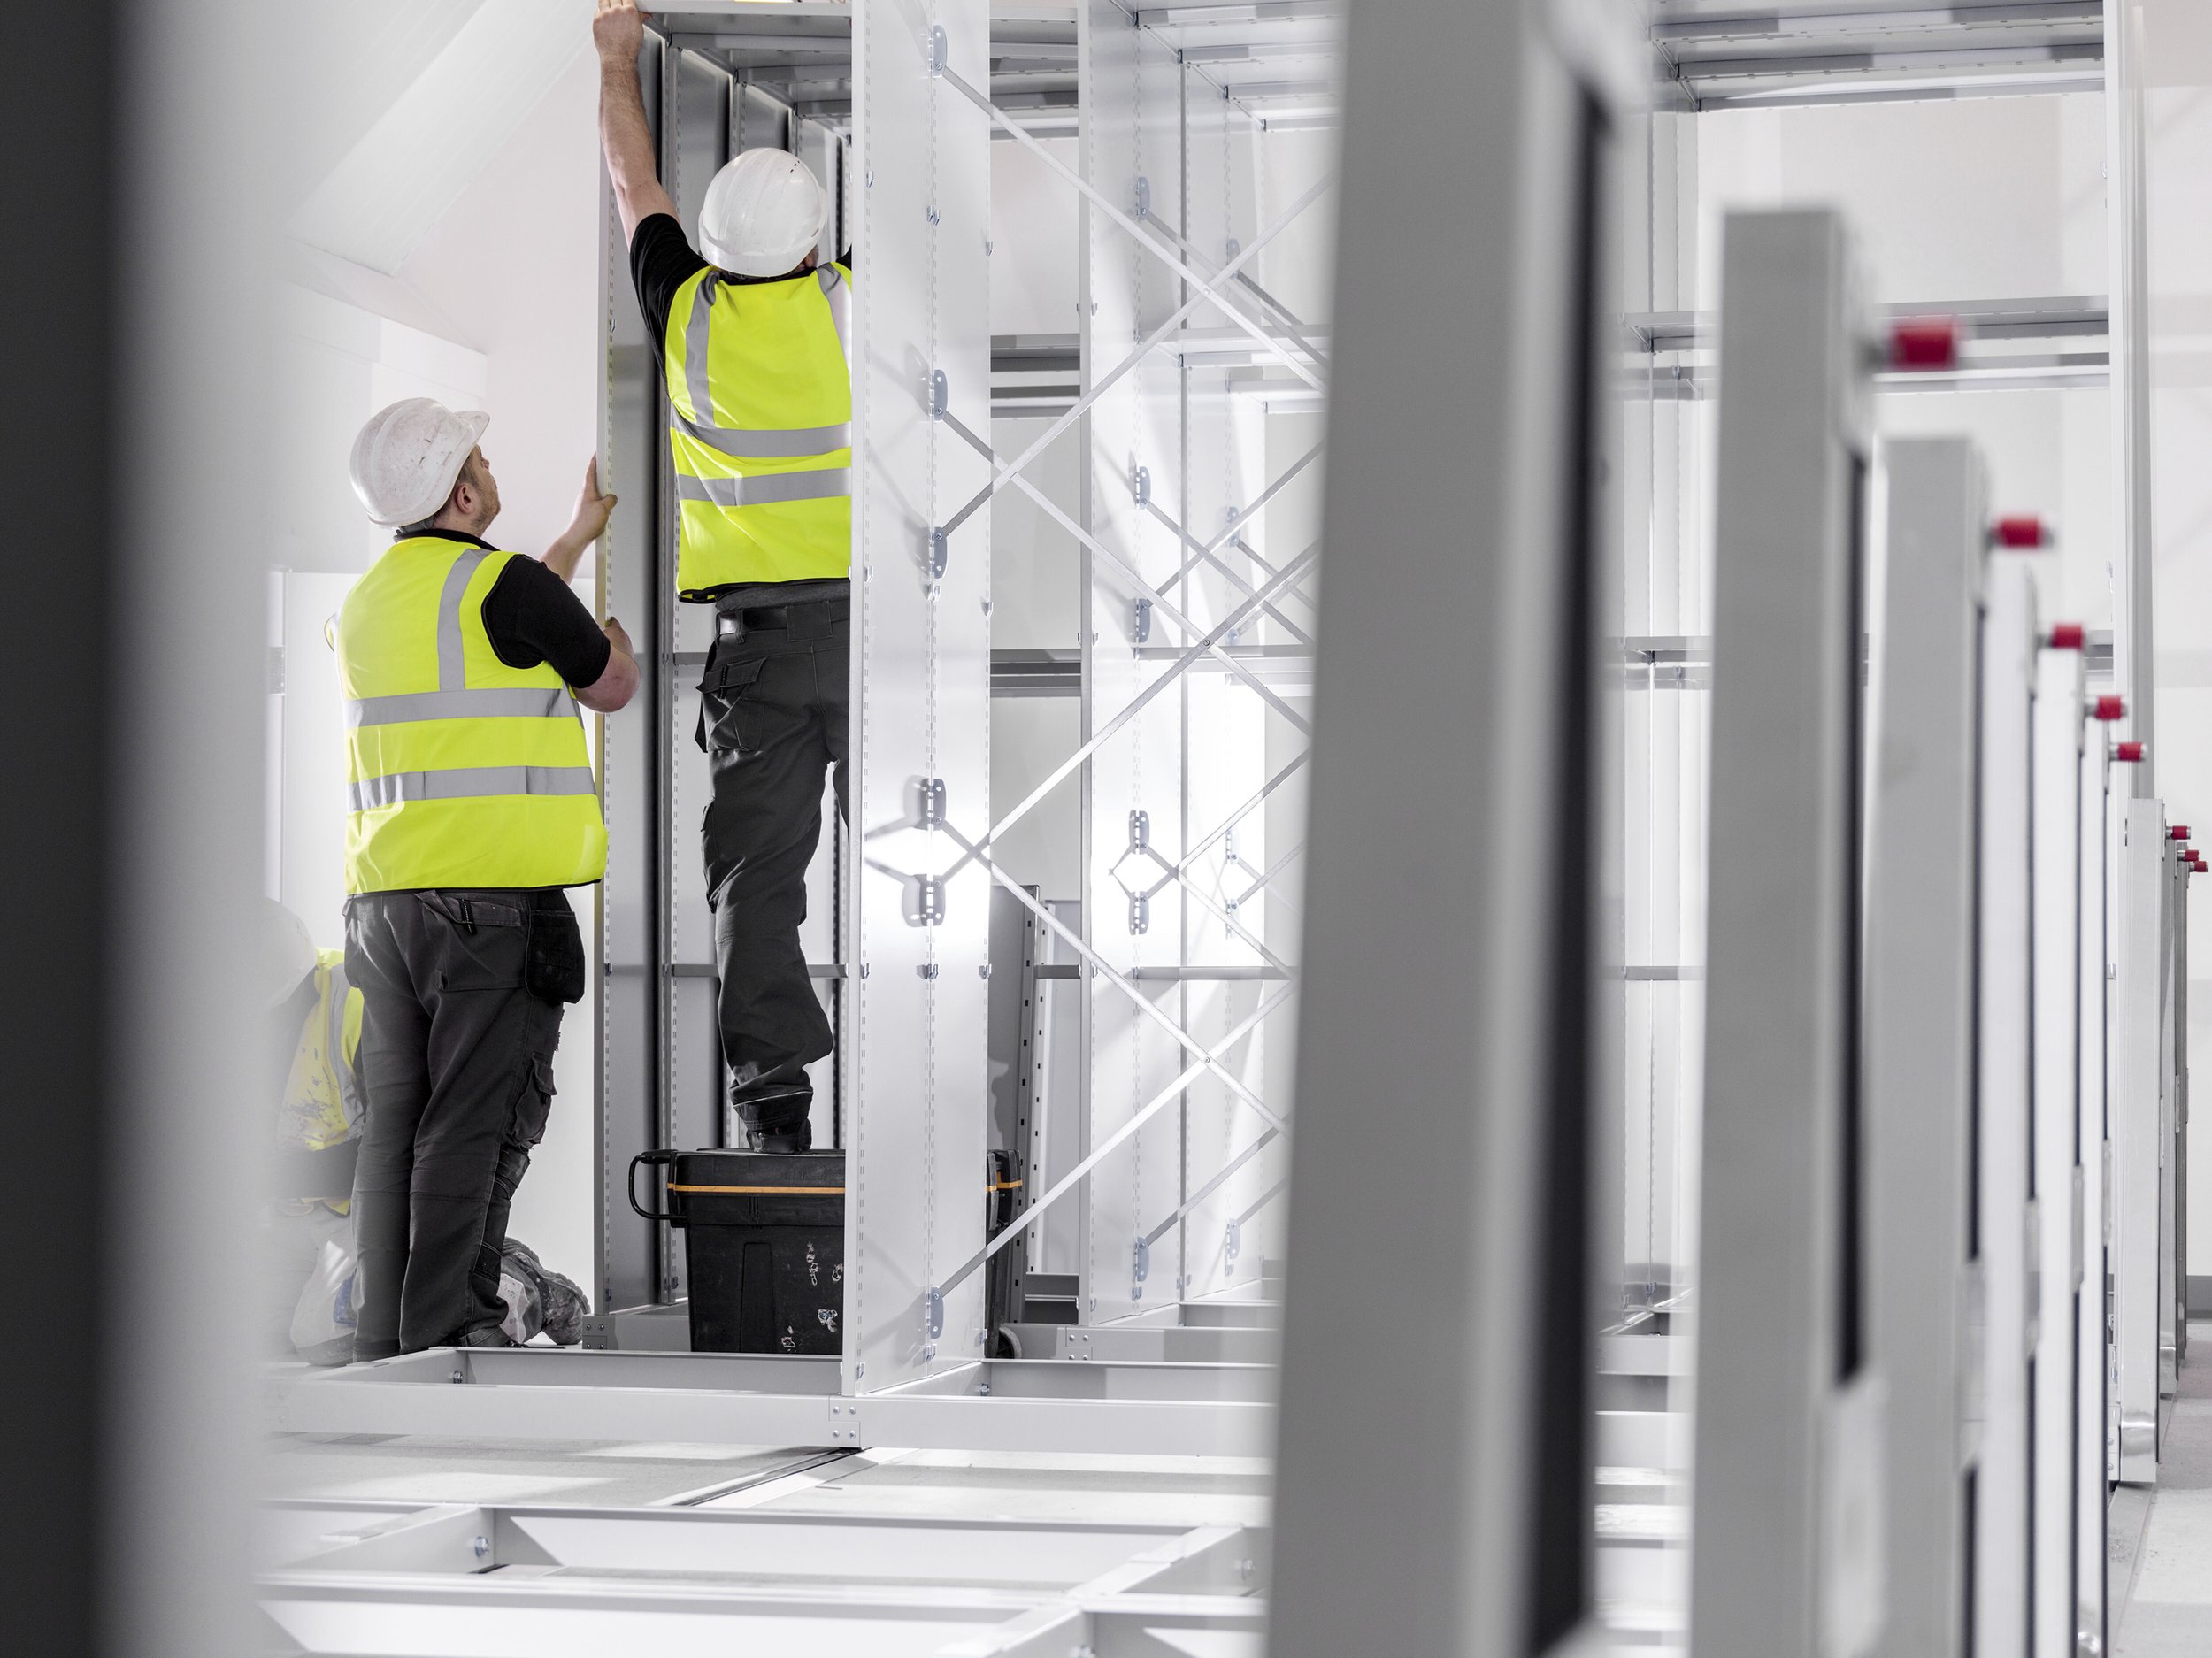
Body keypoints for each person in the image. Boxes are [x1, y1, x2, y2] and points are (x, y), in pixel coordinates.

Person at [595, 0, 855, 1154]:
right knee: (922, 855)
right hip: (873, 637)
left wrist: (613, 53)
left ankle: (776, 1119)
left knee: (755, 884)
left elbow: (629, 180)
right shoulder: (852, 304)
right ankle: (926, 1082)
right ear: (809, 245)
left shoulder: (684, 310)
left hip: (757, 655)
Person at [336, 397, 639, 1357]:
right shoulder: (503, 587)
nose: (494, 469)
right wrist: (615, 634)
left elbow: (490, 646)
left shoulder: (371, 599)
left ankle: (388, 1336)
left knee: (397, 1130)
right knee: (472, 1122)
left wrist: (573, 540)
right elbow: (609, 684)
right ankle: (449, 1332)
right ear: (465, 491)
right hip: (489, 910)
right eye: (484, 458)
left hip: (385, 906)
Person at [258, 900, 365, 1360]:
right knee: (241, 1341)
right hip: (282, 1217)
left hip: (357, 1215)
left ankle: (501, 1277)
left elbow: (395, 1141)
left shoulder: (355, 996)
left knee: (327, 1342)